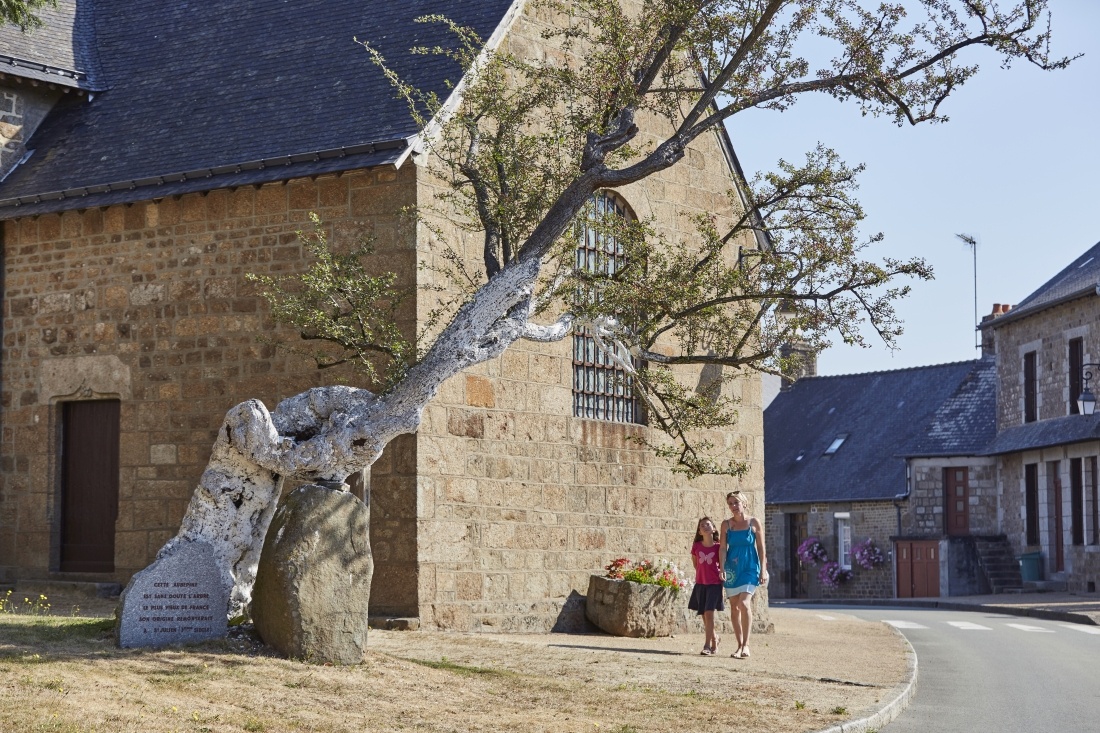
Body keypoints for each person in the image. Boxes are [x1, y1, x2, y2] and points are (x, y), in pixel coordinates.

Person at [719, 490, 768, 659]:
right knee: (734, 607)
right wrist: (722, 568)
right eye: (730, 503)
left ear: (744, 504)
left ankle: (746, 645)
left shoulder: (754, 522)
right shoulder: (726, 525)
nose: (733, 506)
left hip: (750, 567)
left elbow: (761, 548)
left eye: (736, 503)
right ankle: (739, 645)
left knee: (744, 603)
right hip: (732, 569)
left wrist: (763, 569)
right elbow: (723, 548)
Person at [687, 516, 724, 655]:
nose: (705, 526)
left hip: (714, 584)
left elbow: (722, 564)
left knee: (709, 613)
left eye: (708, 524)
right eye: (702, 525)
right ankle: (715, 638)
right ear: (700, 531)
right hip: (701, 583)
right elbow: (696, 564)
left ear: (713, 529)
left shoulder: (718, 547)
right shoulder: (696, 546)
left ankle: (707, 646)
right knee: (703, 614)